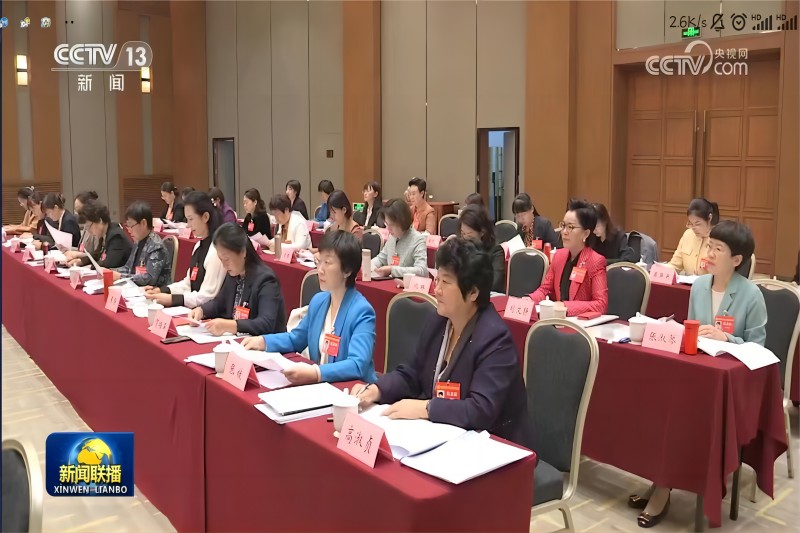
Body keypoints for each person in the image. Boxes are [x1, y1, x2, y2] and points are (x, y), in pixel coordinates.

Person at [631, 221, 766, 529]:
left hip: (729, 388)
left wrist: (727, 338)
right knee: (658, 405)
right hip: (698, 375)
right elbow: (693, 331)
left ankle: (663, 487)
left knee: (680, 415)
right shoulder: (700, 286)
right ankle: (660, 479)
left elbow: (758, 346)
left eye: (718, 249)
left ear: (737, 259)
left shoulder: (751, 295)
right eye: (710, 246)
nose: (710, 254)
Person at [352, 238, 535, 449]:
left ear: (473, 292)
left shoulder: (495, 339)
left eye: (445, 283)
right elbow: (412, 374)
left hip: (496, 447)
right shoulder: (439, 321)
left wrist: (426, 408)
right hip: (446, 435)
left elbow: (481, 409)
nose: (436, 289)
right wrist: (377, 389)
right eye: (436, 279)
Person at [242, 231, 377, 384]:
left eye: (327, 263)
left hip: (352, 391)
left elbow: (357, 364)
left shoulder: (361, 311)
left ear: (347, 270)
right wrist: (263, 341)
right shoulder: (319, 301)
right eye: (319, 261)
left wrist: (316, 373)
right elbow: (295, 339)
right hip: (322, 387)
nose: (320, 270)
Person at [188, 223, 287, 336]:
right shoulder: (234, 273)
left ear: (243, 252)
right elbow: (219, 303)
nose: (224, 265)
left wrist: (229, 326)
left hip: (264, 343)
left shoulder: (266, 280)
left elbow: (266, 324)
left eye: (227, 259)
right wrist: (201, 311)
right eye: (221, 260)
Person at [144, 192, 226, 309]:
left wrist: (172, 299)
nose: (188, 225)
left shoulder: (216, 250)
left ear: (205, 217)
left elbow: (207, 296)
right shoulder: (198, 245)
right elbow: (188, 284)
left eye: (191, 219)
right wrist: (162, 290)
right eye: (187, 219)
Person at [528, 199, 608, 316]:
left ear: (586, 233)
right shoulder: (559, 256)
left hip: (579, 323)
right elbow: (545, 289)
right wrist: (529, 299)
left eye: (570, 227)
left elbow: (601, 304)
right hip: (557, 318)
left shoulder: (595, 261)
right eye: (563, 225)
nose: (564, 232)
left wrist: (565, 306)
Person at [113, 201, 172, 286]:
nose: (129, 230)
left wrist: (120, 276)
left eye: (131, 226)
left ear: (143, 223)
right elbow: (128, 268)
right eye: (127, 226)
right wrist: (110, 271)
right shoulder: (138, 241)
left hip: (154, 291)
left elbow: (149, 278)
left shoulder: (156, 246)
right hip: (137, 288)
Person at [370, 199, 428, 279]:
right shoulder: (392, 237)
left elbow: (422, 271)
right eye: (386, 224)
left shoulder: (418, 239)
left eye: (391, 225)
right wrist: (369, 265)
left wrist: (392, 270)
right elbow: (381, 258)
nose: (388, 229)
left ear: (402, 222)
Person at [67, 199, 131, 269]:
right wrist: (81, 261)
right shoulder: (105, 232)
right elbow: (97, 255)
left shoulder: (116, 236)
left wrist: (87, 268)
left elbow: (108, 263)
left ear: (100, 221)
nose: (89, 231)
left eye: (89, 226)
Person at [458, 205, 505, 293]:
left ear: (482, 232)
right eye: (462, 233)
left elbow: (494, 283)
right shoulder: (461, 247)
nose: (465, 238)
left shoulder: (496, 251)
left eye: (469, 235)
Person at [668, 197, 719, 275]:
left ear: (709, 218)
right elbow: (675, 265)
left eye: (697, 224)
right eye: (691, 224)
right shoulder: (688, 235)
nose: (693, 228)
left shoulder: (719, 238)